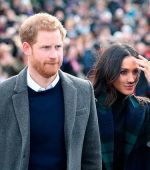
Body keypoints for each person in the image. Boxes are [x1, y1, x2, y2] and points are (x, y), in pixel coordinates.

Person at [0, 13, 102, 170]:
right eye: (46, 47)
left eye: (58, 47)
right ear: (27, 48)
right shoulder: (3, 94)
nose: (54, 55)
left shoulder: (83, 90)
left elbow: (92, 156)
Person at [89, 43, 150, 170]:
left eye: (135, 72)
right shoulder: (89, 107)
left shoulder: (144, 109)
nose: (131, 79)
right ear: (109, 71)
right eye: (123, 72)